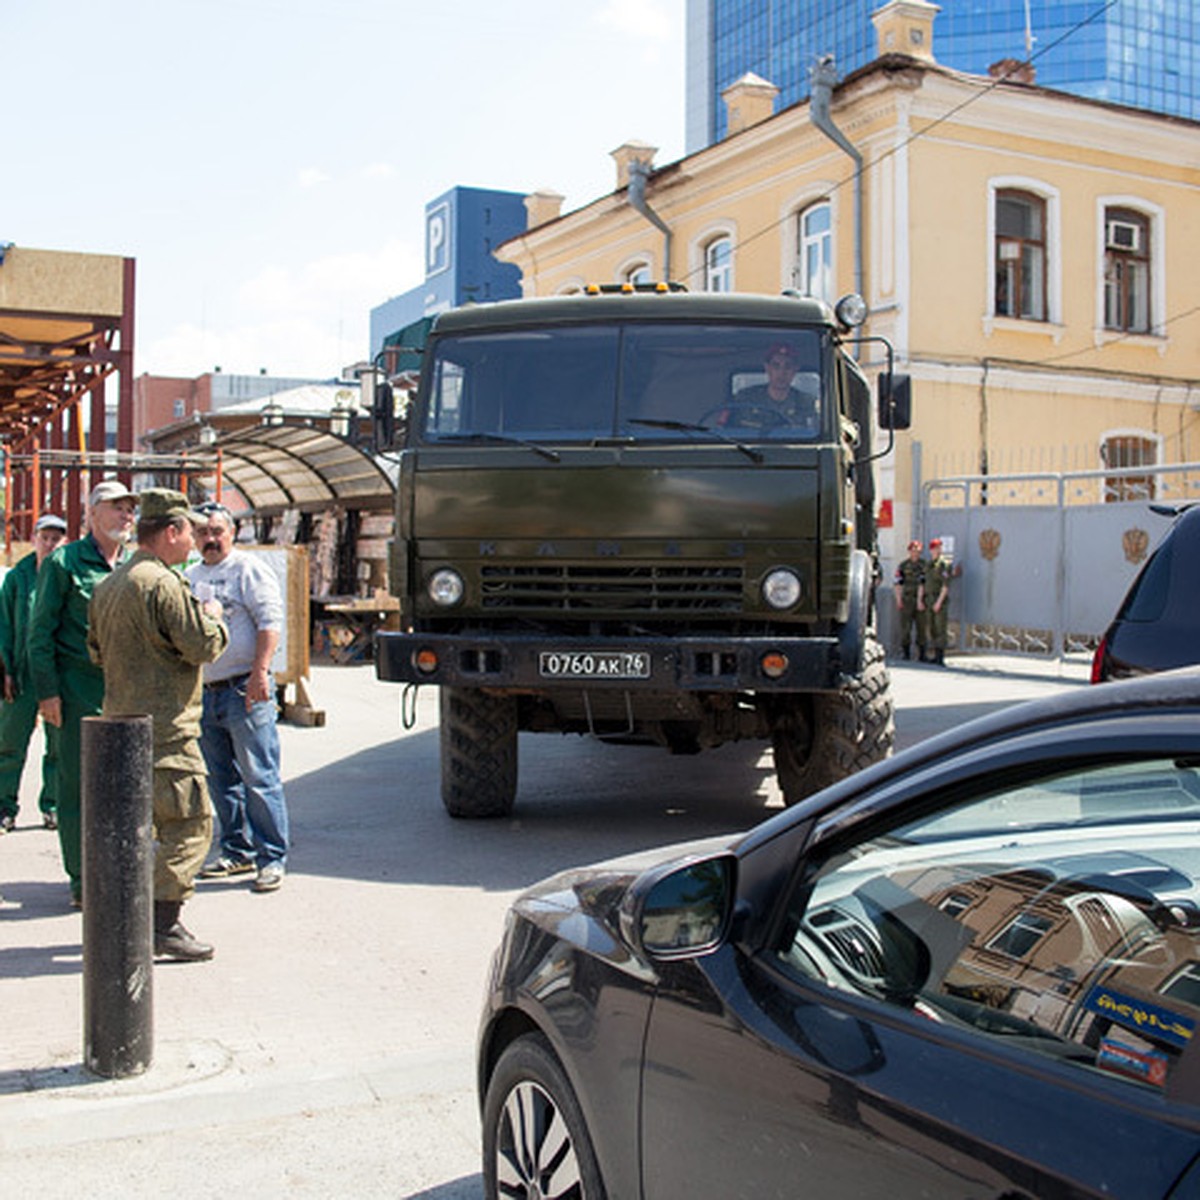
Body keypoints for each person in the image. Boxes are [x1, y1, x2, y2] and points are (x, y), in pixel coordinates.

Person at [88, 488, 228, 961]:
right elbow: (202, 646)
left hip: (119, 728)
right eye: (189, 531)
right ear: (170, 532)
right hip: (167, 734)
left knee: (131, 833)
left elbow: (95, 652)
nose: (193, 541)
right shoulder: (164, 585)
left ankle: (126, 923)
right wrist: (214, 618)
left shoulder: (109, 585)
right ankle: (162, 925)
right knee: (189, 825)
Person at [29, 481, 137, 906]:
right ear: (91, 513)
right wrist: (47, 694)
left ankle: (120, 873)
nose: (126, 516)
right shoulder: (64, 562)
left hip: (128, 695)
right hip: (76, 693)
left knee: (127, 790)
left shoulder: (134, 563)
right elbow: (39, 635)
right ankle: (82, 879)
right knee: (77, 789)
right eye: (116, 508)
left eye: (130, 509)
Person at [186, 502, 291, 893]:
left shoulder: (247, 570)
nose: (210, 539)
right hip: (206, 692)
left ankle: (271, 857)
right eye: (203, 533)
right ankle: (235, 848)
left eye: (217, 531)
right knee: (220, 779)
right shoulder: (190, 575)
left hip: (243, 688)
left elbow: (269, 623)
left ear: (232, 533)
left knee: (259, 776)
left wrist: (260, 672)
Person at [0, 513, 69, 833]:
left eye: (57, 538)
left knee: (57, 745)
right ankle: (4, 807)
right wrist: (5, 670)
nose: (50, 543)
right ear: (34, 539)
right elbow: (2, 626)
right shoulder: (18, 577)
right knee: (10, 742)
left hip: (57, 675)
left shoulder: (68, 572)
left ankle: (52, 806)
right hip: (22, 674)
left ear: (65, 541)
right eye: (45, 537)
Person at [722, 342, 819, 432]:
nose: (782, 373)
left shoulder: (807, 403)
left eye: (788, 367)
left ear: (795, 370)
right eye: (776, 366)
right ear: (767, 368)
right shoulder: (744, 399)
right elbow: (725, 432)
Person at [892, 538, 926, 662]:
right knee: (905, 628)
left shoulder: (924, 565)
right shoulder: (903, 565)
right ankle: (905, 653)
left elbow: (923, 583)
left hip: (920, 600)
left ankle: (922, 654)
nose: (915, 553)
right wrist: (898, 599)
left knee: (921, 627)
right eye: (912, 550)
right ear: (909, 551)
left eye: (917, 550)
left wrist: (920, 601)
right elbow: (897, 583)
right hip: (906, 600)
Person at [923, 537, 953, 665]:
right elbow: (923, 583)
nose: (937, 550)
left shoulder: (944, 565)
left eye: (939, 548)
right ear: (931, 550)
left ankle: (940, 657)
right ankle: (934, 654)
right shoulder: (928, 565)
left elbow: (945, 586)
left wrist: (939, 602)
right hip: (929, 599)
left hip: (938, 599)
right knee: (932, 627)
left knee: (940, 628)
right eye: (935, 548)